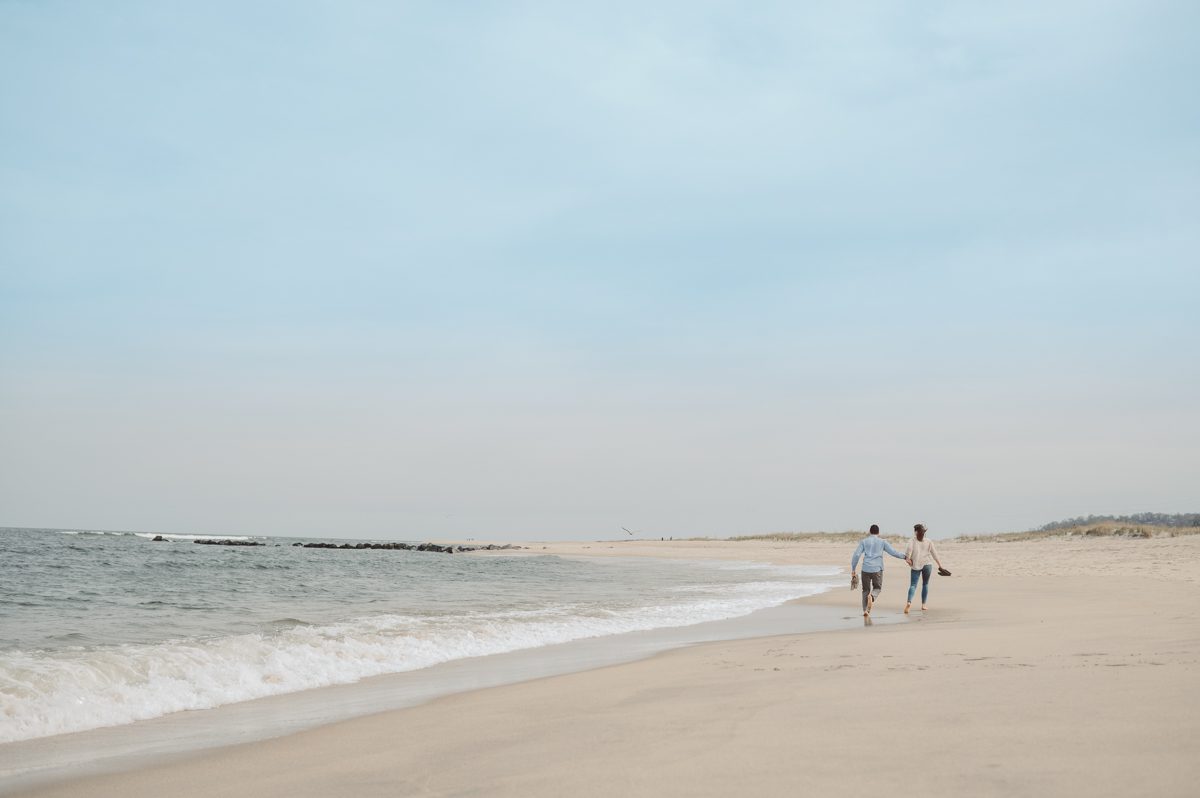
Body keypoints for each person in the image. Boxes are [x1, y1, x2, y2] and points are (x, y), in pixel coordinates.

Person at [850, 524, 906, 616]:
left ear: (869, 531)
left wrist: (853, 568)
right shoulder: (883, 542)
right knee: (877, 588)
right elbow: (893, 552)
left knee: (865, 590)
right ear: (878, 532)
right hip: (877, 569)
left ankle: (865, 611)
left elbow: (856, 555)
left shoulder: (864, 541)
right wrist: (905, 557)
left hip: (865, 569)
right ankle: (872, 597)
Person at [904, 523, 946, 613]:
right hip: (927, 564)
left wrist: (909, 562)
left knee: (913, 585)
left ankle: (909, 602)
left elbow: (908, 556)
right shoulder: (928, 541)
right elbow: (934, 554)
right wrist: (940, 566)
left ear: (915, 532)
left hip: (916, 565)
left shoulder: (911, 541)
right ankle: (923, 605)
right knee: (925, 584)